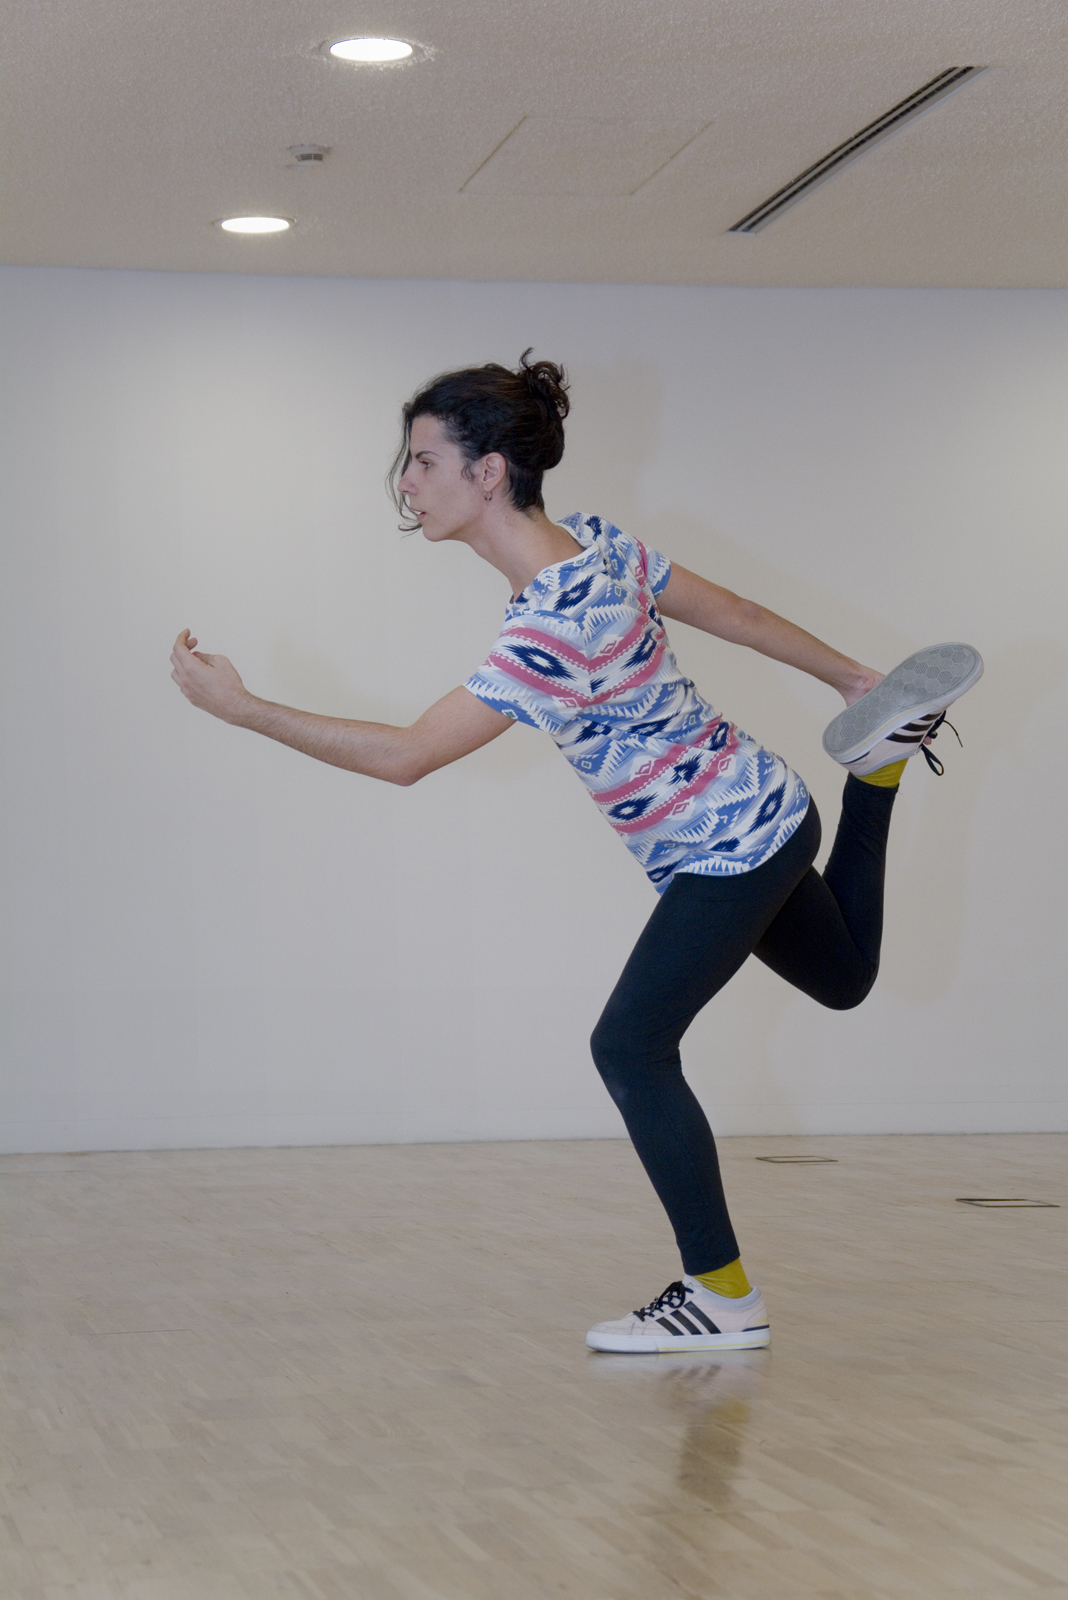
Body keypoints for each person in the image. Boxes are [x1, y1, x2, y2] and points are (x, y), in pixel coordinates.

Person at [171, 351, 982, 1355]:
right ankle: (876, 772)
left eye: (423, 461)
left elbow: (407, 757)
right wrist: (854, 680)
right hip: (773, 808)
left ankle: (722, 1294)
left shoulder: (551, 627)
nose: (406, 482)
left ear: (488, 473)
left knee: (628, 1047)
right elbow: (734, 614)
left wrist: (243, 709)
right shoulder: (597, 546)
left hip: (725, 849)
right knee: (846, 978)